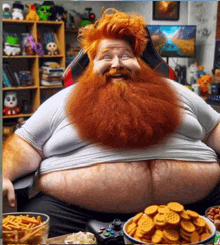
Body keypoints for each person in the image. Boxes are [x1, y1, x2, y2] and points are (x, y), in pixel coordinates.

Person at [3, 8, 220, 238]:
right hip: (76, 215)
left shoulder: (177, 92)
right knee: (24, 235)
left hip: (198, 209)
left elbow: (214, 128)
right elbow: (25, 144)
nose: (117, 63)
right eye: (106, 57)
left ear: (140, 61)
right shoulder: (63, 100)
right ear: (91, 65)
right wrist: (3, 173)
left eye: (126, 55)